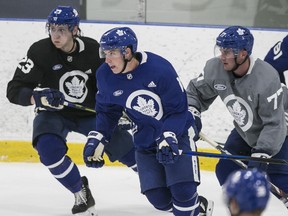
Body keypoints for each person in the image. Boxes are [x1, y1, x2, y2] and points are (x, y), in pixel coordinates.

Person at [6, 6, 136, 215]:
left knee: (131, 154)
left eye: (62, 30)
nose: (55, 36)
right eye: (52, 29)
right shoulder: (39, 51)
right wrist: (37, 97)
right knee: (48, 149)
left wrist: (119, 110)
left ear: (75, 30)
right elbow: (14, 90)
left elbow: (114, 85)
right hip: (54, 113)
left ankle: (168, 189)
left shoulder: (95, 51)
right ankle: (79, 191)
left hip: (92, 114)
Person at [82, 26, 214, 216]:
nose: (107, 59)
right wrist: (100, 135)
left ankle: (188, 206)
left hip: (177, 134)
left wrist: (169, 135)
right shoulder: (104, 75)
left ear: (127, 52)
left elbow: (178, 110)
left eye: (112, 53)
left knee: (183, 192)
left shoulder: (160, 69)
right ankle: (196, 206)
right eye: (105, 52)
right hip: (145, 140)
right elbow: (107, 111)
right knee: (159, 200)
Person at [186, 26, 288, 196]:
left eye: (227, 52)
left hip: (281, 130)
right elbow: (195, 92)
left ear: (242, 54)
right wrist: (193, 112)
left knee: (280, 179)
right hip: (246, 131)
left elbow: (274, 124)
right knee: (227, 172)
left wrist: (262, 154)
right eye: (221, 50)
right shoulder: (215, 68)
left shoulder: (267, 78)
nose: (222, 56)